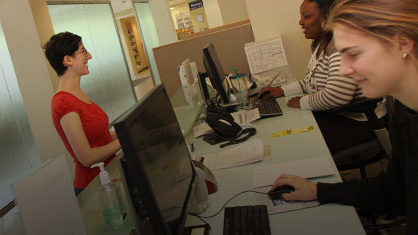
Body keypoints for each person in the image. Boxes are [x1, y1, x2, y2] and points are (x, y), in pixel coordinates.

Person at [271, 0, 418, 233]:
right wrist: (318, 191)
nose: (343, 70)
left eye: (354, 54)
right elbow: (397, 190)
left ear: (403, 44)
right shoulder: (404, 109)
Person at [257, 0, 385, 155]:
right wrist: (282, 91)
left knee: (296, 147)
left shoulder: (339, 46)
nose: (300, 22)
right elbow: (311, 82)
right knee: (288, 133)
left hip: (360, 121)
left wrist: (302, 102)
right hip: (339, 115)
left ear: (327, 18)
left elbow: (337, 96)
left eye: (307, 16)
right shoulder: (321, 44)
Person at [44, 32, 121, 195]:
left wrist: (127, 130)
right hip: (93, 189)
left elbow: (101, 137)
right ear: (68, 60)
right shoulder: (63, 102)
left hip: (111, 177)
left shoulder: (78, 94)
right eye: (83, 51)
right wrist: (125, 140)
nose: (89, 56)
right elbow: (87, 157)